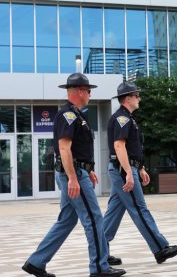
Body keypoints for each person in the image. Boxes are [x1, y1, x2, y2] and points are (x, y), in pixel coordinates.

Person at [22, 73, 126, 277]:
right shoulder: (68, 115)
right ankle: (99, 267)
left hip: (78, 172)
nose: (90, 94)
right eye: (88, 91)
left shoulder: (77, 115)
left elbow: (77, 149)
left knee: (67, 220)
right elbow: (64, 147)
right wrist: (73, 177)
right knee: (94, 218)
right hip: (74, 175)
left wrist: (88, 170)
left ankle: (36, 262)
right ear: (79, 91)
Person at [103, 81, 177, 266]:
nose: (139, 98)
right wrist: (128, 173)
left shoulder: (128, 118)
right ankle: (160, 248)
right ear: (127, 98)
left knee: (114, 212)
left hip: (125, 168)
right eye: (136, 95)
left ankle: (100, 252)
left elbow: (131, 148)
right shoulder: (122, 118)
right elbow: (119, 146)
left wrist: (139, 168)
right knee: (139, 209)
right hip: (122, 169)